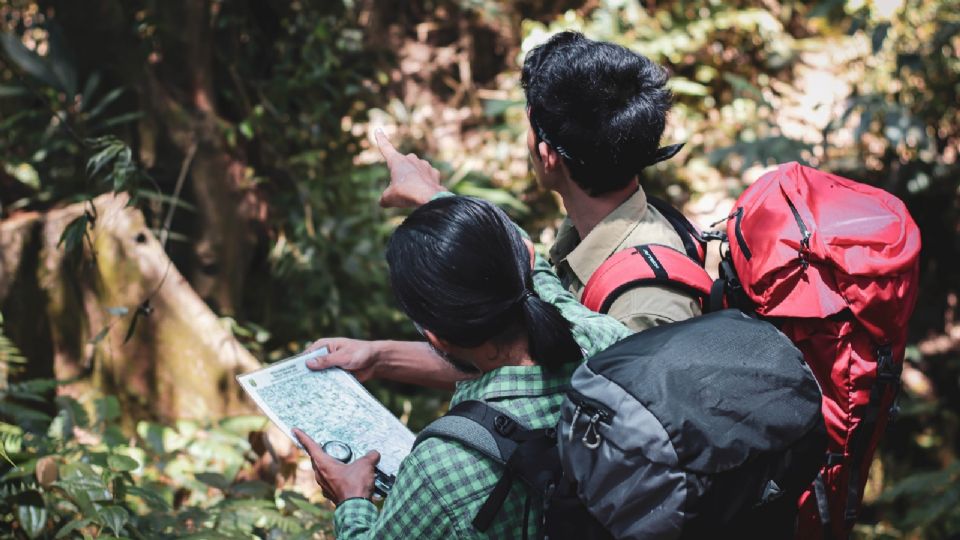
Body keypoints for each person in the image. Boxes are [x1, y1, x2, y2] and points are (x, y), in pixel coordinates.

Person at [307, 32, 700, 388]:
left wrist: (437, 199)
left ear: (547, 155)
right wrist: (377, 358)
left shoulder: (645, 301)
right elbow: (516, 362)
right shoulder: (589, 235)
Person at [294, 195, 629, 539]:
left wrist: (351, 499)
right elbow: (535, 267)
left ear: (435, 337)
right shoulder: (607, 342)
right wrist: (435, 196)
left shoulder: (443, 467)